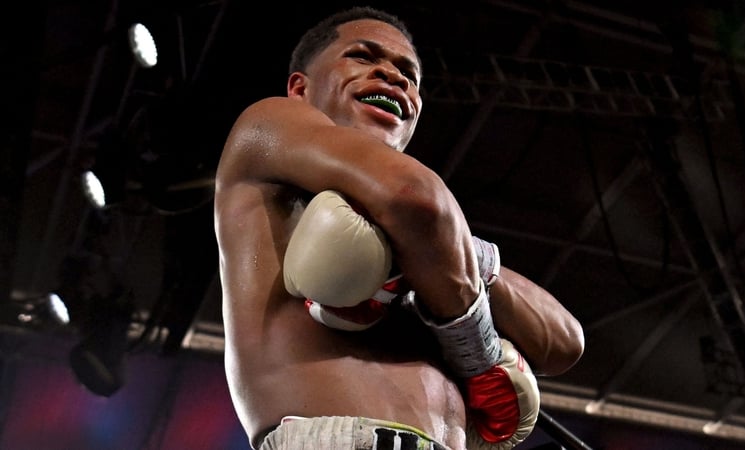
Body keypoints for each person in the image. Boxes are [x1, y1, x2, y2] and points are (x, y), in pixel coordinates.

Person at [213, 6, 584, 450]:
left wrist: (457, 261)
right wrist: (479, 354)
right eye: (362, 56)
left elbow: (565, 343)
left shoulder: (439, 249)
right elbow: (415, 199)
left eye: (408, 73)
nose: (392, 75)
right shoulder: (266, 125)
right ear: (300, 88)